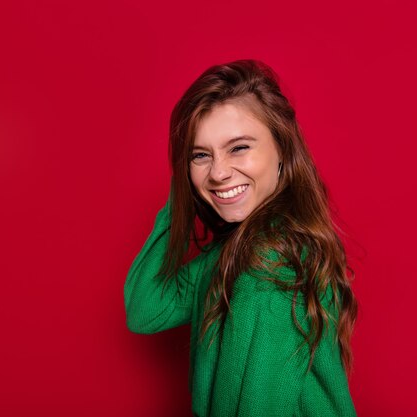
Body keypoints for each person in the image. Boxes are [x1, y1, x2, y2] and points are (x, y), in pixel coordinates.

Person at [124, 59, 358, 416]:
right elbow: (145, 310)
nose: (217, 172)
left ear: (282, 150)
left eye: (238, 148)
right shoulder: (233, 253)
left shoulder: (269, 266)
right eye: (200, 155)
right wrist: (181, 200)